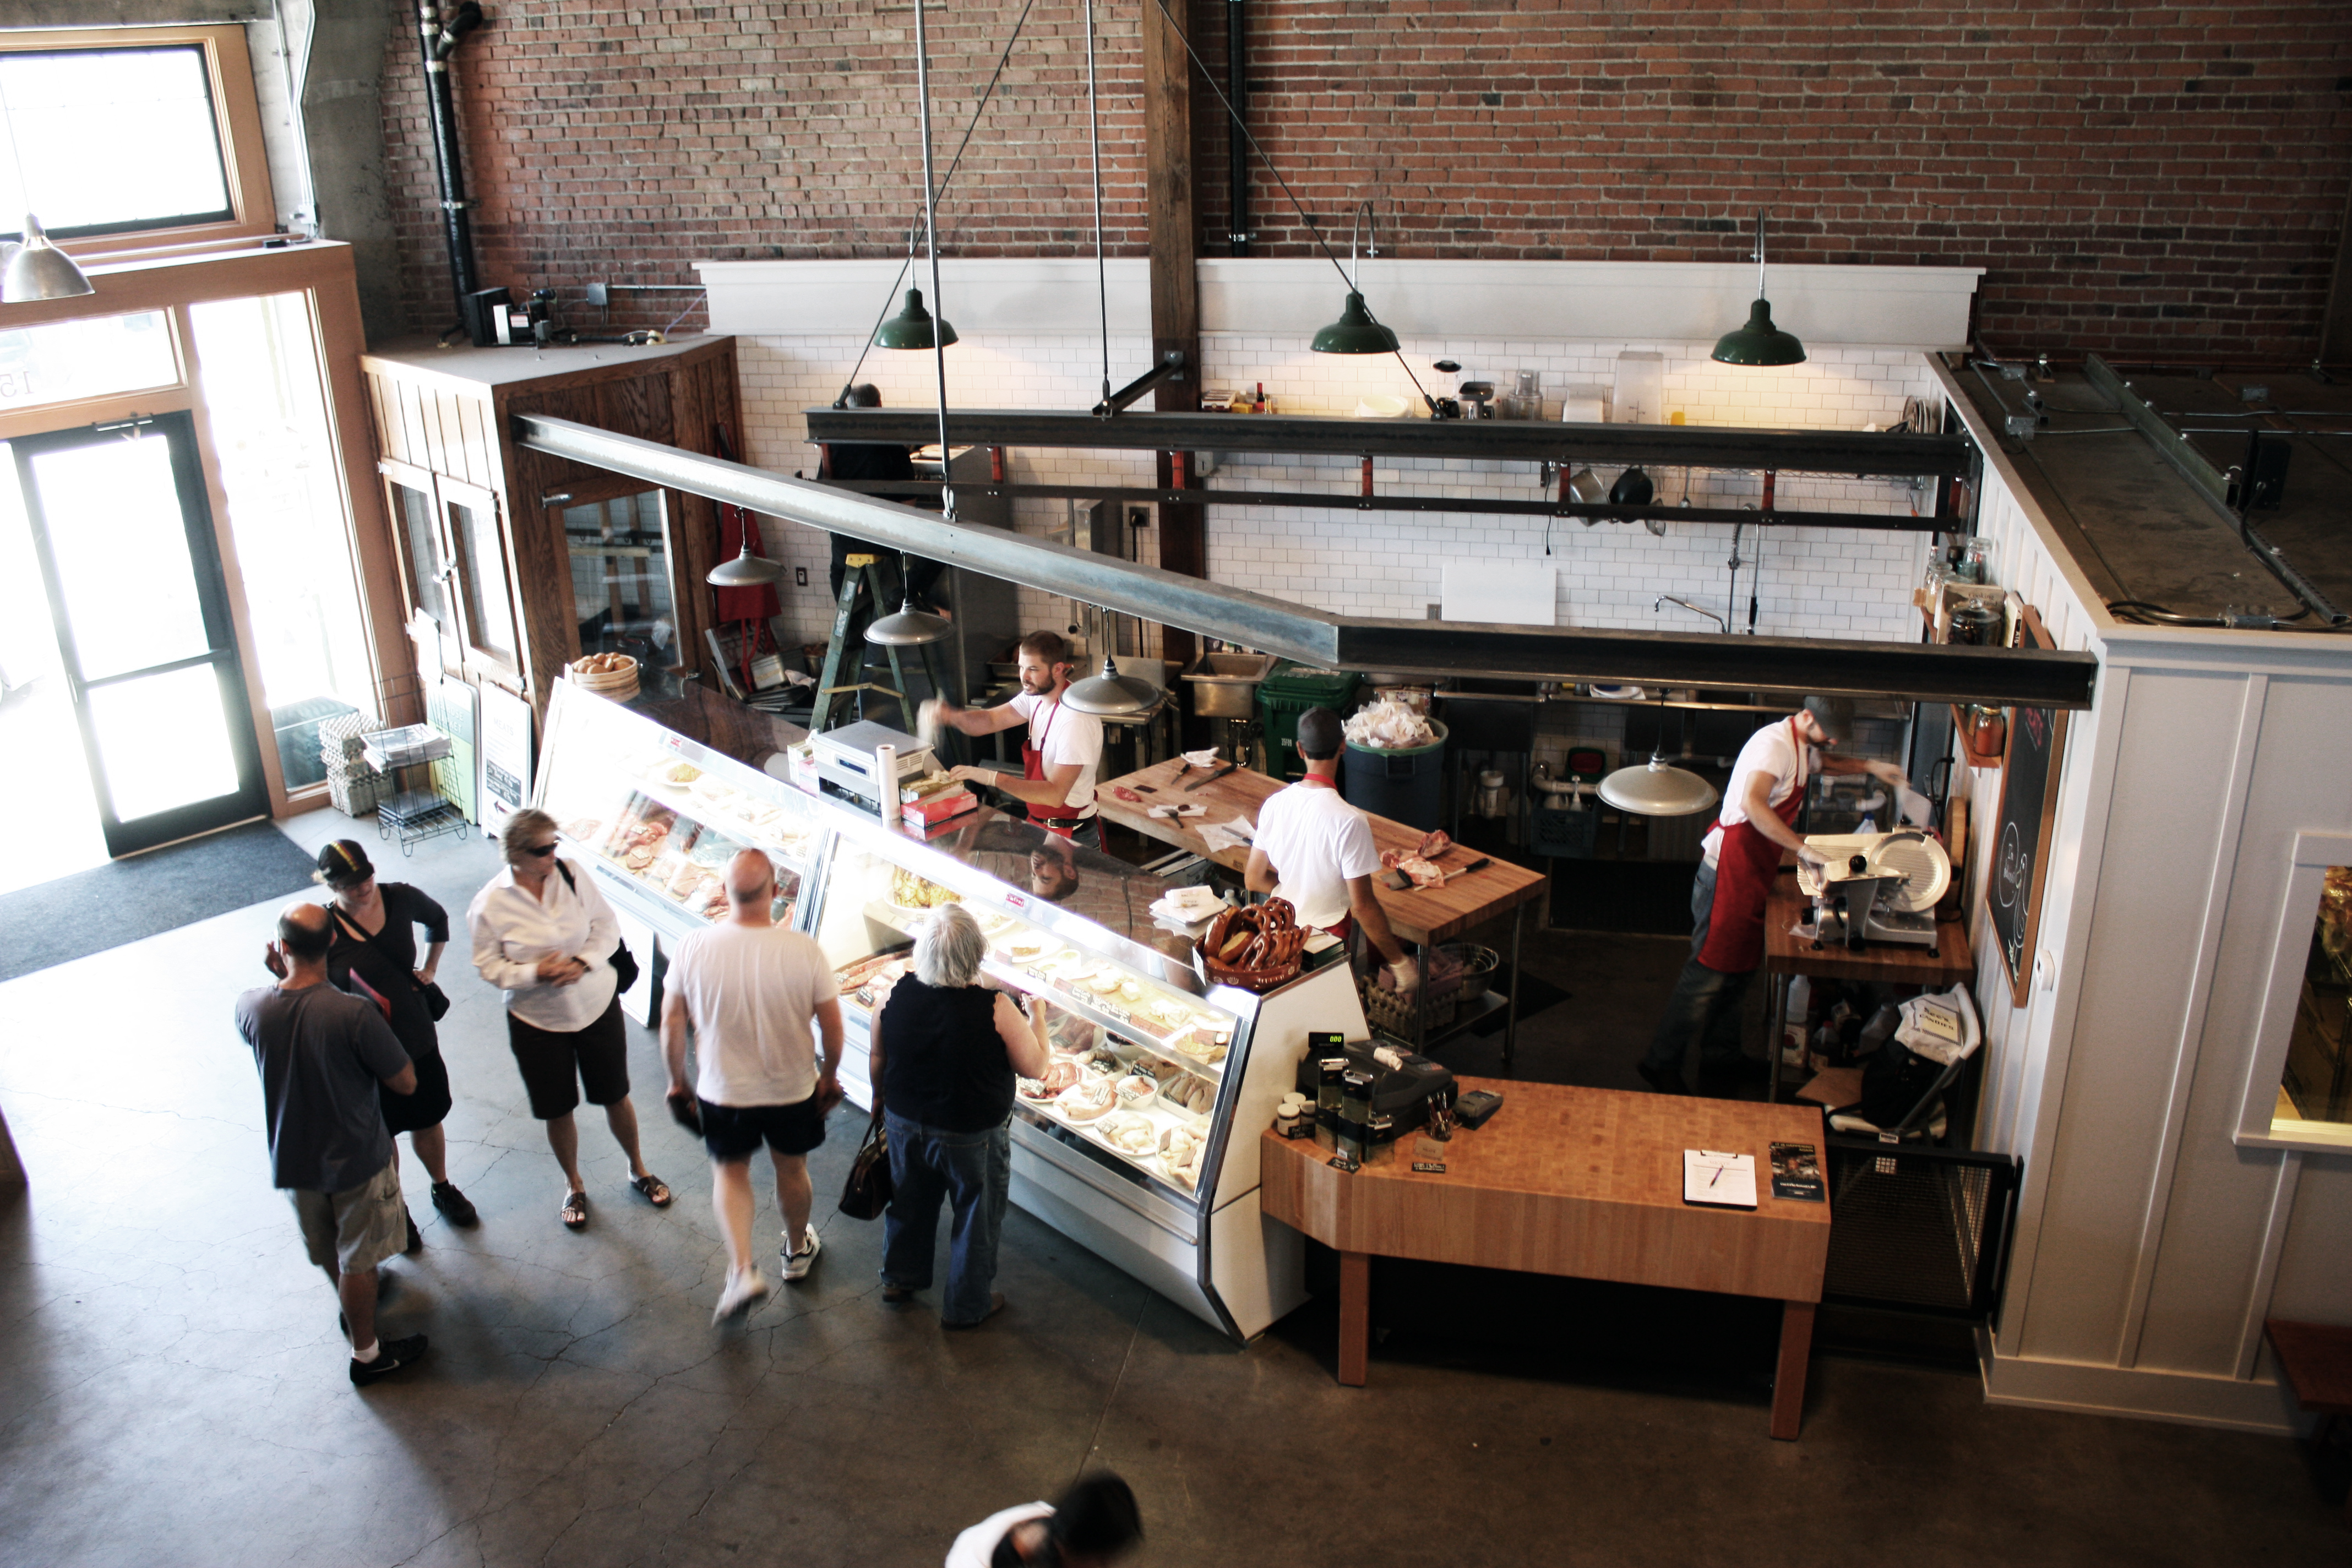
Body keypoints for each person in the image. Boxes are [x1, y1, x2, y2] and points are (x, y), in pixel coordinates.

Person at [1640, 695, 1908, 1096]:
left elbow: (1823, 763)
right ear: (1808, 717)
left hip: (1751, 874)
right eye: (1828, 735)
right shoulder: (1774, 745)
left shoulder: (1802, 745)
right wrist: (1802, 848)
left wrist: (1871, 767)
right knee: (1707, 975)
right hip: (1726, 874)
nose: (1832, 744)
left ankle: (1722, 1057)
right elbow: (1753, 803)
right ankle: (1659, 1062)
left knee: (1738, 973)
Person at [238, 902, 429, 1386]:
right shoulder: (354, 1013)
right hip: (355, 1158)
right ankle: (367, 1354)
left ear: (282, 948)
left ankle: (353, 1312)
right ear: (330, 945)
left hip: (294, 1159)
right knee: (360, 1259)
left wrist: (279, 975)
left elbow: (288, 1018)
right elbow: (405, 1082)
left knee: (329, 1248)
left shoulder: (251, 1007)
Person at [661, 850, 847, 1321]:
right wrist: (829, 1076)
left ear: (725, 893)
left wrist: (676, 1081)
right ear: (775, 893)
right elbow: (832, 1026)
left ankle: (742, 1269)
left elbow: (672, 1022)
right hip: (792, 1089)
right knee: (791, 1169)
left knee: (731, 1171)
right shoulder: (804, 950)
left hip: (723, 1090)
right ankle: (798, 1250)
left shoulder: (692, 947)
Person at [467, 807, 672, 1229]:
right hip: (537, 1021)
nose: (553, 854)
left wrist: (581, 962)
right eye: (543, 850)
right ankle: (573, 1184)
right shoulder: (490, 905)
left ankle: (638, 1168)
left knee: (615, 1094)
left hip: (596, 1006)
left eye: (555, 844)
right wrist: (535, 973)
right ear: (516, 855)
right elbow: (488, 966)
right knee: (557, 1108)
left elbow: (606, 927)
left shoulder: (573, 875)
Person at [874, 903, 1050, 1329]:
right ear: (976, 955)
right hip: (972, 1133)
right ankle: (967, 1305)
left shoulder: (892, 996)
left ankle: (900, 1277)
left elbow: (879, 1057)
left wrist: (882, 1102)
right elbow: (1037, 1068)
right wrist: (1039, 1018)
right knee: (976, 1218)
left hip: (904, 1120)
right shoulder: (995, 1008)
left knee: (908, 1201)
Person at [314, 840, 477, 1242]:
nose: (363, 887)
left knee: (427, 1116)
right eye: (350, 884)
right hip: (365, 1050)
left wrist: (430, 967)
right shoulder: (324, 927)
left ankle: (442, 1186)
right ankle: (395, 1207)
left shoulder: (399, 897)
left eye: (366, 876)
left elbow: (437, 919)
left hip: (415, 1033)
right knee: (382, 1133)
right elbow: (310, 980)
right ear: (331, 887)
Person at [1245, 705, 1419, 993]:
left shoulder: (1274, 804)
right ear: (1343, 747)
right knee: (1331, 1035)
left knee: (1289, 1020)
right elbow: (1362, 906)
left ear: (1300, 750)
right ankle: (1333, 1042)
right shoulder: (1349, 820)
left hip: (1277, 938)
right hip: (1325, 946)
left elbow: (1253, 878)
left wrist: (1297, 890)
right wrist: (1401, 964)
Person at [927, 630, 1106, 845]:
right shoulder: (1035, 697)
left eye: (1033, 669)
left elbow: (1055, 795)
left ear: (1058, 669)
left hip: (1072, 834)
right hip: (1040, 825)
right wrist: (952, 717)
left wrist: (992, 778)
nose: (1024, 677)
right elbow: (991, 720)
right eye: (1021, 667)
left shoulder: (1075, 719)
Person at [826, 383, 945, 612]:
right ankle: (906, 593)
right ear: (880, 405)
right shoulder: (893, 448)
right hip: (881, 537)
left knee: (838, 567)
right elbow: (908, 507)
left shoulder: (832, 446)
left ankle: (849, 620)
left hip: (844, 537)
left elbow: (827, 493)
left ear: (849, 408)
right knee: (945, 540)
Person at [945, 1473, 1143, 1568]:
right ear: (1065, 1550)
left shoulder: (1064, 1524)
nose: (1105, 1567)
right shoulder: (972, 1562)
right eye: (1100, 1559)